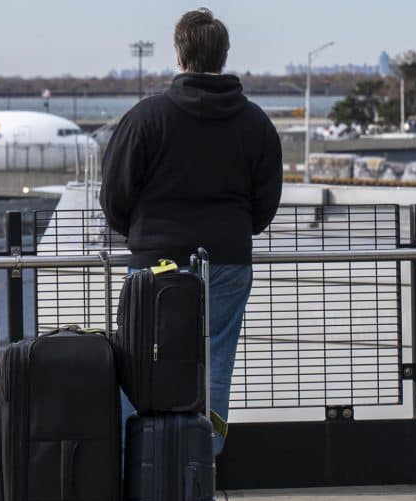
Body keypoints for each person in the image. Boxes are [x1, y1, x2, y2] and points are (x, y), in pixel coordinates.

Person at [100, 7, 282, 456]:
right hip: (227, 259)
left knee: (140, 357)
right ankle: (203, 462)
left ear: (180, 56)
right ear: (224, 56)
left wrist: (138, 235)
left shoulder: (146, 118)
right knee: (215, 362)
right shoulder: (256, 122)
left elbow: (114, 194)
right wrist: (239, 231)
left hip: (153, 261)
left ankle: (138, 461)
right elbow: (266, 201)